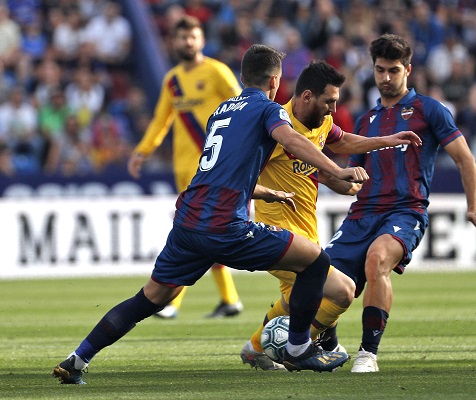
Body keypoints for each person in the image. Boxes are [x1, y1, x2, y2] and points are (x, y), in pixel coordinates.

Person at [52, 44, 367, 385]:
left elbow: (220, 172)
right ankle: (297, 347)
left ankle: (77, 359)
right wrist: (339, 169)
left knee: (151, 298)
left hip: (189, 220)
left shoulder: (221, 111)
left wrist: (265, 191)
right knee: (316, 262)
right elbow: (291, 140)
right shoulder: (269, 110)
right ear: (275, 81)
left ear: (242, 76)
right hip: (225, 225)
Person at [239, 61, 421, 370]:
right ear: (307, 97)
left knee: (297, 299)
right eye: (329, 102)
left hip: (306, 234)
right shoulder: (275, 128)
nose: (333, 110)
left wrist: (386, 141)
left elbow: (344, 140)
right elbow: (243, 178)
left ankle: (257, 347)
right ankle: (293, 350)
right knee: (342, 290)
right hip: (275, 233)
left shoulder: (319, 124)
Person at [324, 34, 476, 373]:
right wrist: (320, 178)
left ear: (408, 70)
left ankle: (368, 354)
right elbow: (352, 177)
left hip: (405, 211)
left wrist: (473, 206)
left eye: (394, 70)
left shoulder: (430, 110)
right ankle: (326, 343)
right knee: (321, 277)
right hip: (362, 214)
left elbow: (465, 158)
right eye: (380, 70)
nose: (386, 77)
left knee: (377, 259)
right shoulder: (365, 121)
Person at [127, 16, 244, 319]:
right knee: (201, 232)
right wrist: (142, 151)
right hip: (184, 169)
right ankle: (229, 299)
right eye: (182, 38)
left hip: (214, 167)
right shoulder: (173, 81)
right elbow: (160, 121)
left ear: (201, 39)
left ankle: (173, 302)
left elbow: (244, 107)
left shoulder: (217, 72)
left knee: (192, 232)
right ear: (174, 41)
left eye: (193, 37)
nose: (187, 42)